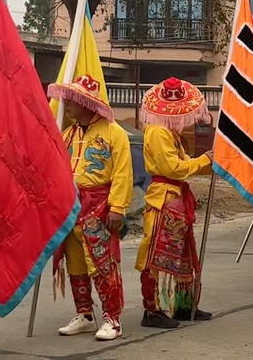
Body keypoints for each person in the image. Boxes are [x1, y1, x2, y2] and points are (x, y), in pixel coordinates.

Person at [47, 75, 132, 340]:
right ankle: (84, 314)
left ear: (86, 103)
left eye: (72, 99)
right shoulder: (68, 134)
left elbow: (122, 172)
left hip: (99, 205)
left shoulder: (113, 132)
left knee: (102, 263)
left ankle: (112, 318)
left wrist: (117, 207)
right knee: (74, 261)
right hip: (71, 206)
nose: (66, 103)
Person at [136, 77, 214, 329]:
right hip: (164, 199)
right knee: (156, 255)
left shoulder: (169, 131)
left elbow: (182, 167)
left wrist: (209, 163)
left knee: (182, 254)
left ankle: (182, 304)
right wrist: (204, 161)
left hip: (175, 197)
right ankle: (152, 310)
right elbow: (174, 168)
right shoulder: (158, 131)